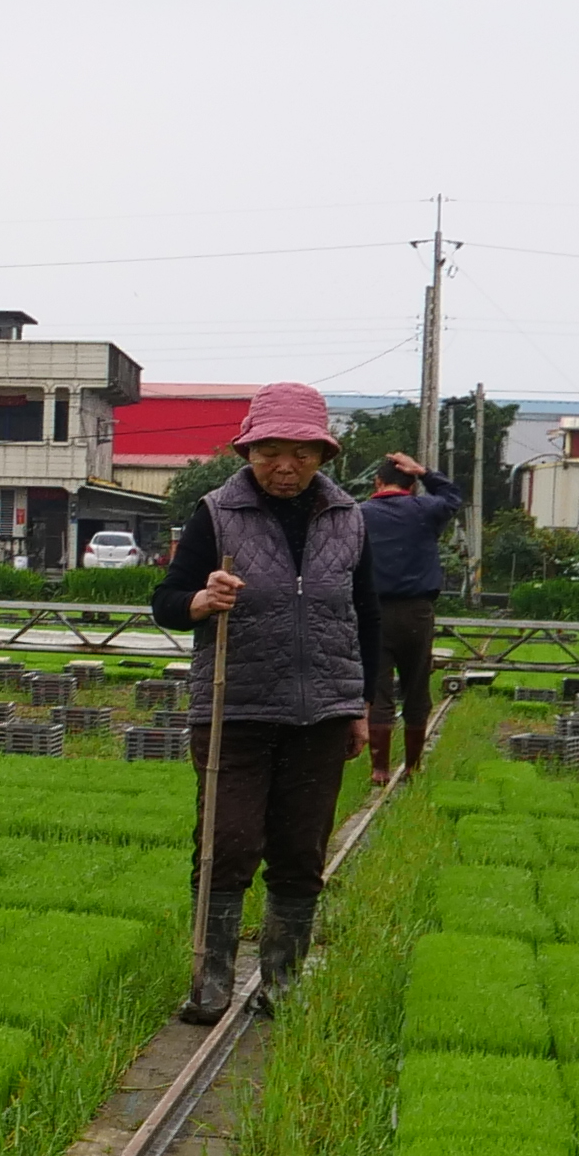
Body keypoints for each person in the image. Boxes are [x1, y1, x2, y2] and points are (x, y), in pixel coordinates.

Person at [151, 382, 379, 1018]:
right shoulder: (216, 513)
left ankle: (282, 985)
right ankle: (210, 983)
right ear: (247, 452)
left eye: (302, 453)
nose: (285, 466)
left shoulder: (348, 518)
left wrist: (362, 705)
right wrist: (201, 600)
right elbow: (166, 602)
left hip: (322, 714)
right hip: (236, 711)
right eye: (270, 452)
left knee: (301, 852)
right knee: (226, 845)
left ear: (324, 455)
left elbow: (365, 615)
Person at [356, 445, 462, 779]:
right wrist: (424, 471)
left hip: (372, 613)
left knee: (378, 689)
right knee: (416, 687)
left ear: (377, 482)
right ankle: (413, 766)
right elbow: (453, 496)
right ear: (412, 485)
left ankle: (379, 769)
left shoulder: (359, 514)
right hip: (417, 611)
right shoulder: (425, 510)